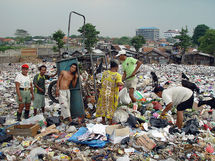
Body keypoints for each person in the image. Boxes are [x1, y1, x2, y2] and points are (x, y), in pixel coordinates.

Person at [96, 59, 124, 125]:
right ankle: (110, 121)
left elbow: (102, 81)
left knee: (103, 106)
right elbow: (119, 83)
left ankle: (103, 120)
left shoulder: (105, 73)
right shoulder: (118, 75)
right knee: (111, 107)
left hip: (103, 93)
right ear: (116, 67)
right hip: (111, 94)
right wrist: (122, 83)